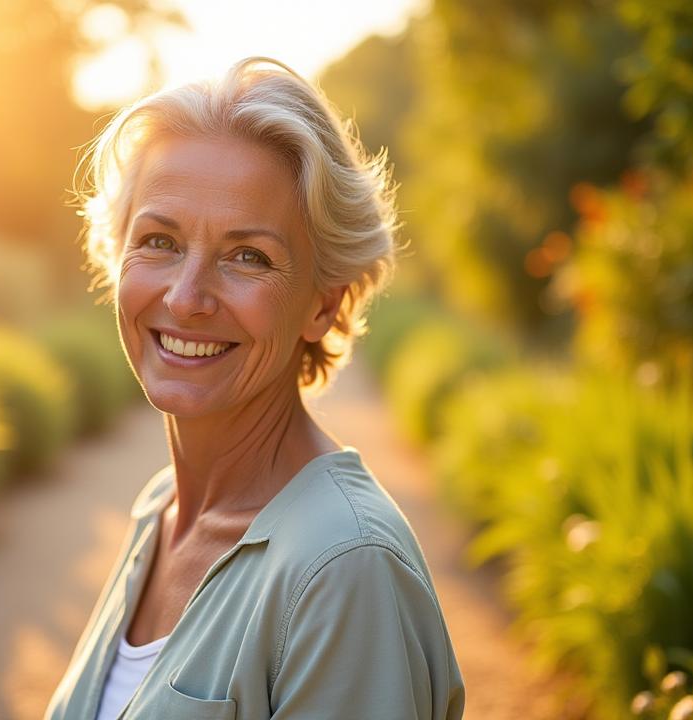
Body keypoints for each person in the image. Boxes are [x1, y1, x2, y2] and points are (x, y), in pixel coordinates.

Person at [44, 56, 465, 720]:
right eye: (158, 241)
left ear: (323, 305)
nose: (185, 299)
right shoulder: (161, 512)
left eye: (248, 256)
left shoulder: (346, 569)